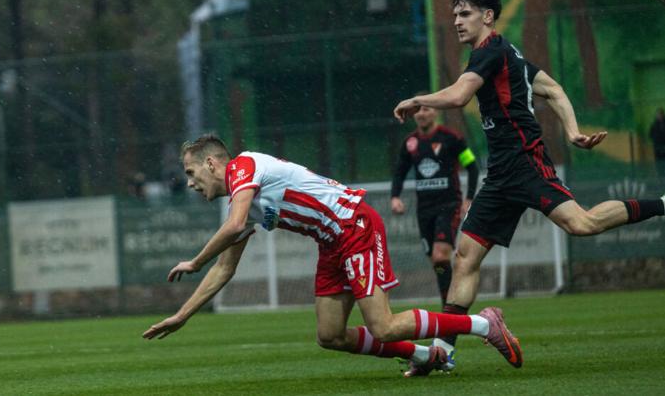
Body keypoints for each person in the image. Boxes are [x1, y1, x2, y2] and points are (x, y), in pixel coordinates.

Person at [393, 0, 665, 376]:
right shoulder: (509, 55)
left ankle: (661, 204)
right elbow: (553, 90)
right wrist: (571, 131)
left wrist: (418, 99)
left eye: (465, 13)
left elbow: (458, 97)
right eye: (454, 14)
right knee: (465, 257)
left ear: (487, 16)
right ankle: (441, 352)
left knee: (582, 224)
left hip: (526, 162)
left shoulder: (490, 51)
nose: (456, 21)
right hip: (501, 173)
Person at [143, 134, 524, 375]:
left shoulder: (244, 166)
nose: (191, 183)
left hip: (353, 225)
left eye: (192, 172)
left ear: (212, 163)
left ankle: (483, 325)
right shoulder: (242, 207)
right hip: (331, 243)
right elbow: (225, 269)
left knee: (384, 326)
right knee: (330, 335)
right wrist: (182, 315)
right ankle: (427, 356)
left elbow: (229, 230)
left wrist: (194, 261)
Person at [390, 104, 479, 309]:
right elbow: (400, 172)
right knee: (438, 263)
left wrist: (469, 199)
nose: (422, 113)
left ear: (435, 113)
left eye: (426, 109)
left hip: (448, 205)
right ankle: (449, 302)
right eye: (418, 110)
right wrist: (395, 196)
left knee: (440, 256)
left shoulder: (452, 138)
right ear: (414, 116)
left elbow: (472, 167)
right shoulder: (410, 143)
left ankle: (449, 307)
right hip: (424, 210)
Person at [650, 108, 665, 179]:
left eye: (661, 114)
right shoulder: (654, 125)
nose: (660, 116)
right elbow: (650, 135)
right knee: (658, 163)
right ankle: (660, 177)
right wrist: (656, 141)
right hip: (657, 147)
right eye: (658, 114)